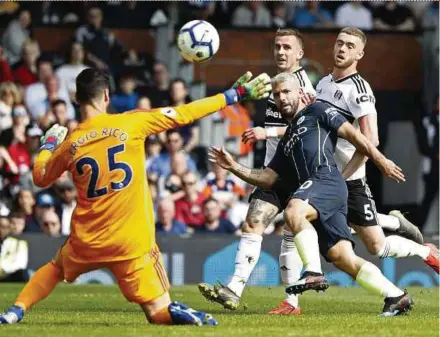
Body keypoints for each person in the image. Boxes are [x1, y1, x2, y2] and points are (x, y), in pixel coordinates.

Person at [0, 67, 271, 325]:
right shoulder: (132, 122)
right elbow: (185, 113)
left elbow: (41, 177)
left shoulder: (71, 143)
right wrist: (232, 96)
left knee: (56, 268)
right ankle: (176, 313)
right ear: (106, 96)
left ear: (76, 98)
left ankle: (15, 311)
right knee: (157, 313)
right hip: (131, 243)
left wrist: (48, 146)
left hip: (87, 241)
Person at [207, 72, 413, 316]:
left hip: (326, 179)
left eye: (286, 92)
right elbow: (267, 178)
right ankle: (395, 296)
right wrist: (233, 167)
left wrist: (381, 160)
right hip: (323, 192)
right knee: (342, 257)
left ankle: (313, 272)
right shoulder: (287, 142)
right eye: (276, 94)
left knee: (294, 209)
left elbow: (355, 135)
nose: (281, 98)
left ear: (298, 92)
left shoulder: (317, 111)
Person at [198, 28, 315, 311]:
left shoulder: (305, 90)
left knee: (290, 233)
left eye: (287, 47)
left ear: (299, 53)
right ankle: (234, 289)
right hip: (272, 173)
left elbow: (311, 129)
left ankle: (291, 301)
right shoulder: (277, 84)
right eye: (277, 46)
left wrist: (268, 132)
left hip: (301, 175)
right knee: (253, 222)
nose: (281, 52)